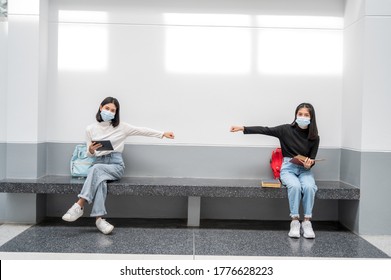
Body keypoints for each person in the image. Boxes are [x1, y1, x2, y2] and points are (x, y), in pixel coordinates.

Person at [62, 97, 175, 234]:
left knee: (96, 170)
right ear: (100, 107)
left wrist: (162, 134)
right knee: (100, 182)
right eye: (107, 108)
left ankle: (79, 205)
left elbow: (142, 130)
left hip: (115, 165)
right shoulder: (90, 129)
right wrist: (91, 149)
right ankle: (99, 220)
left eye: (113, 110)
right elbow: (90, 153)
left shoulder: (122, 127)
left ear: (116, 113)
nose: (109, 112)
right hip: (98, 162)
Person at [230, 103, 320, 239]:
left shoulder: (314, 137)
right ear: (296, 115)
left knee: (309, 187)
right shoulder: (285, 130)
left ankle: (307, 222)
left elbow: (312, 159)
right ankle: (295, 221)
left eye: (306, 115)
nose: (302, 117)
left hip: (305, 171)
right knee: (294, 186)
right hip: (288, 169)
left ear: (311, 118)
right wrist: (243, 128)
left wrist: (308, 165)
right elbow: (265, 130)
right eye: (300, 114)